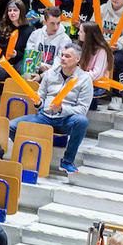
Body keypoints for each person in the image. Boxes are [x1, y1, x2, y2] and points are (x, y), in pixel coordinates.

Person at [9, 43, 92, 174]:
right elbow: (41, 97)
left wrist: (61, 109)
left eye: (67, 56)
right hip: (44, 117)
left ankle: (67, 161)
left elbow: (82, 109)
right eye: (62, 55)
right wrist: (38, 103)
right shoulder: (50, 73)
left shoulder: (85, 79)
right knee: (11, 126)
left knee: (82, 121)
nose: (63, 58)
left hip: (66, 119)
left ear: (77, 60)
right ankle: (31, 154)